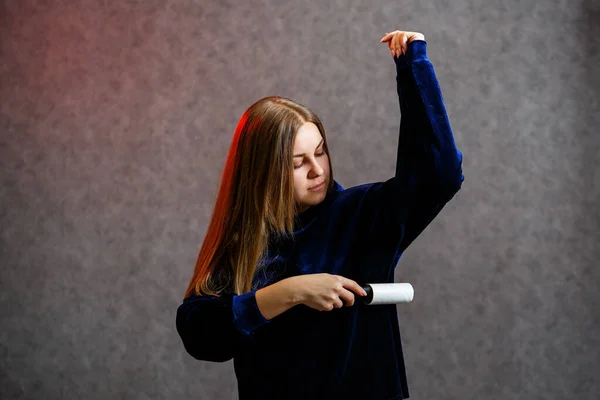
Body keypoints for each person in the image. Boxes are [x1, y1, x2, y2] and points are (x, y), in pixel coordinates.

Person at [176, 30, 464, 400]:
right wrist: (288, 292)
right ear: (262, 172)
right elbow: (199, 334)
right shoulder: (243, 241)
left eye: (321, 152)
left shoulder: (364, 216)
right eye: (298, 163)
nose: (317, 170)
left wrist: (413, 68)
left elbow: (439, 175)